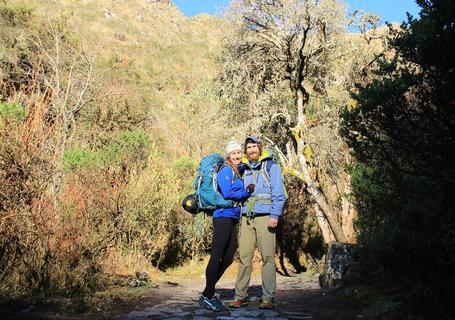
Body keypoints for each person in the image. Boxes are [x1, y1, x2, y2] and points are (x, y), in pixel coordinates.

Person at [227, 135, 286, 310]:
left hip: (266, 217)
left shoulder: (271, 166)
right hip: (246, 218)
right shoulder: (243, 168)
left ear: (260, 148)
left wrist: (275, 215)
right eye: (249, 147)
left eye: (254, 146)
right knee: (244, 257)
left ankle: (268, 297)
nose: (251, 150)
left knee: (268, 257)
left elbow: (279, 193)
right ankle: (240, 297)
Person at [198, 141, 254, 312]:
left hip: (231, 218)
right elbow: (228, 192)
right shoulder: (226, 170)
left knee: (228, 258)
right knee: (216, 256)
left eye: (239, 152)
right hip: (222, 216)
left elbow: (245, 166)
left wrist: (249, 165)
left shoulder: (236, 169)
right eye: (234, 153)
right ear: (228, 155)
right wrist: (247, 192)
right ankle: (207, 295)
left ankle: (207, 291)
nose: (237, 155)